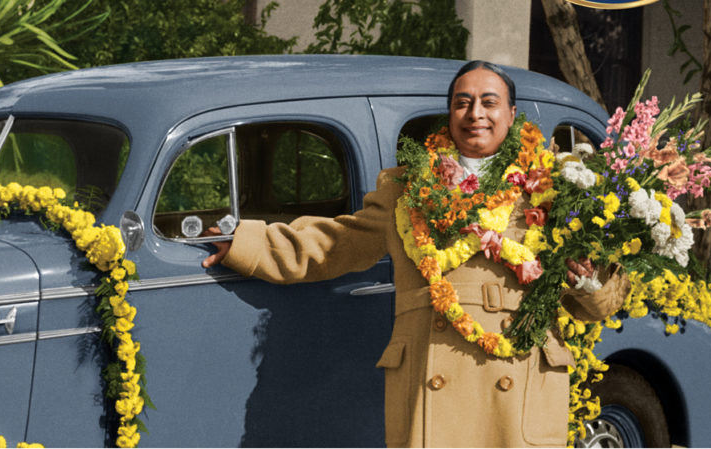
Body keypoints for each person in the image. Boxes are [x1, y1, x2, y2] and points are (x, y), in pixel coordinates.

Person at [202, 60, 629, 447]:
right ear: (450, 114)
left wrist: (588, 280)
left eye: (488, 102)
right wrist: (245, 242)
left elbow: (605, 301)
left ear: (511, 115)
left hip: (517, 382)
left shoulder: (557, 187)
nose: (475, 113)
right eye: (463, 102)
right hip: (433, 382)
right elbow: (338, 243)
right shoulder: (408, 188)